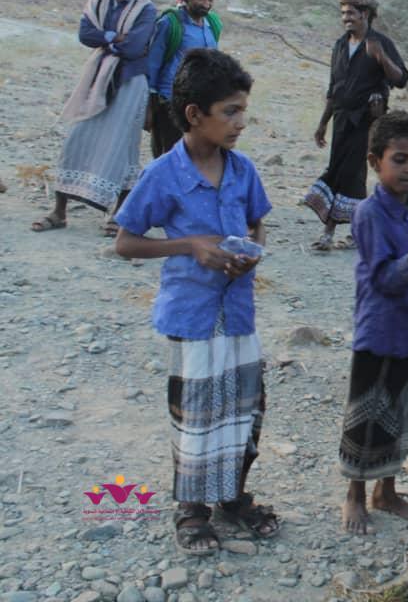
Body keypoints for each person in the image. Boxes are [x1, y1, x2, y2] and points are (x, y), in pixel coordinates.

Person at [113, 49, 277, 554]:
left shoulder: (243, 169)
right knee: (197, 414)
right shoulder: (164, 174)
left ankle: (232, 497)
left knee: (245, 408)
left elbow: (257, 223)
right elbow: (125, 242)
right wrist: (190, 246)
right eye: (231, 111)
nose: (241, 122)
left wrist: (251, 253)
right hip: (193, 315)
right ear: (194, 114)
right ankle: (192, 509)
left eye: (244, 110)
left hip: (238, 314)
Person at [339, 110, 408, 535]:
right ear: (374, 161)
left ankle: (386, 490)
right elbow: (382, 277)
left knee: (402, 414)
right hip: (381, 332)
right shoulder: (369, 213)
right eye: (400, 159)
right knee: (368, 414)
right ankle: (354, 493)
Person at [32, 0, 156, 236]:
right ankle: (59, 211)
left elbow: (134, 47)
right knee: (76, 137)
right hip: (97, 78)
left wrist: (106, 39)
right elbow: (85, 34)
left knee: (123, 146)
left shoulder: (146, 9)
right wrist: (114, 37)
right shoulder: (100, 1)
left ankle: (118, 215)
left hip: (129, 82)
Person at [304, 0, 408, 251]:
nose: (346, 18)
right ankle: (355, 230)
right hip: (342, 117)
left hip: (368, 119)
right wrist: (323, 122)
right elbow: (334, 86)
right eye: (343, 13)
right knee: (338, 167)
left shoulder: (380, 42)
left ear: (365, 14)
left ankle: (332, 232)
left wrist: (381, 57)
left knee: (352, 170)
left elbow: (401, 79)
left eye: (350, 13)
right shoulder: (341, 45)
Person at [146, 0, 223, 158]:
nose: (206, 4)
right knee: (169, 156)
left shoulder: (212, 25)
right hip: (170, 101)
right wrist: (150, 103)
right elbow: (152, 64)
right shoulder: (169, 23)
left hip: (200, 103)